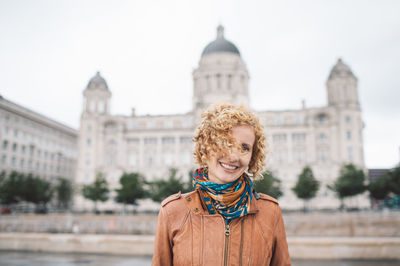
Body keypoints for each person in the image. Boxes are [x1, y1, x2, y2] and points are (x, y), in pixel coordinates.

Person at [152, 104, 291, 266]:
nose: (233, 156)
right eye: (225, 143)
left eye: (244, 148)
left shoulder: (270, 212)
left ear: (253, 156)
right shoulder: (173, 211)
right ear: (206, 147)